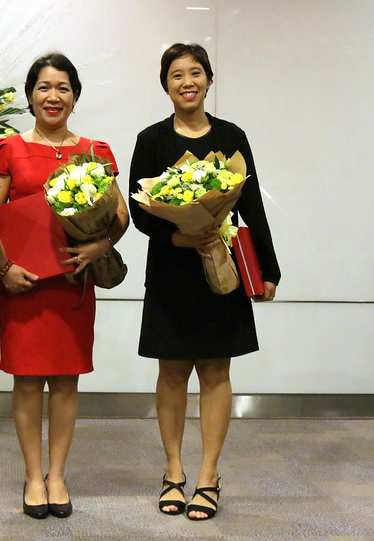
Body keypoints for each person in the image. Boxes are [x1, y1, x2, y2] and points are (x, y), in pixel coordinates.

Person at [128, 43, 280, 520]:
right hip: (172, 271)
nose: (186, 82)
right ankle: (174, 471)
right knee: (172, 372)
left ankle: (209, 475)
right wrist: (177, 236)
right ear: (165, 84)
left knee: (216, 371)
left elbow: (250, 203)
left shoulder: (232, 136)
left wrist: (268, 269)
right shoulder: (150, 139)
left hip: (223, 267)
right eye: (176, 75)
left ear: (209, 80)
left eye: (195, 73)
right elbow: (138, 207)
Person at [0, 53, 129, 519]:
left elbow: (121, 215)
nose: (53, 96)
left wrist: (98, 247)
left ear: (75, 96)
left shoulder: (96, 151)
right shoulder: (7, 148)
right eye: (44, 87)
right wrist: (3, 267)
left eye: (63, 87)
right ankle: (32, 476)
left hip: (72, 282)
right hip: (24, 283)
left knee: (66, 381)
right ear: (30, 95)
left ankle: (58, 475)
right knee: (27, 382)